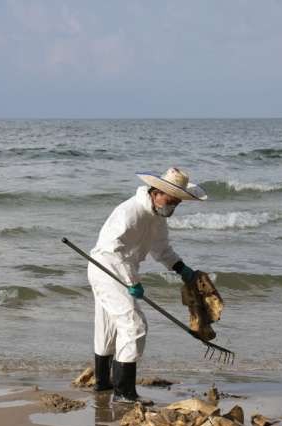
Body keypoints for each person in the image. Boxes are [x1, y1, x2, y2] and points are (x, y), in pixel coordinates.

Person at [88, 167, 207, 404]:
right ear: (156, 192)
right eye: (171, 201)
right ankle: (124, 392)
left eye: (177, 203)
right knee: (134, 326)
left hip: (121, 269)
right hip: (107, 268)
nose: (172, 207)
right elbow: (113, 251)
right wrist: (132, 283)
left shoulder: (157, 216)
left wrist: (181, 269)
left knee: (109, 326)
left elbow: (161, 249)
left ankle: (103, 383)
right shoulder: (130, 212)